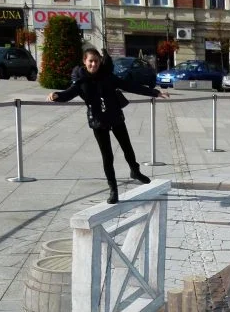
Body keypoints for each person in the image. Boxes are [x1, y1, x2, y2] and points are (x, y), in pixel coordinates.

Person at [46, 49, 168, 204]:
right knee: (107, 156)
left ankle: (135, 171)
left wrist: (155, 93)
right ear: (85, 61)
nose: (93, 64)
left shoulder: (108, 76)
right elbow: (68, 94)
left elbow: (129, 86)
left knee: (127, 147)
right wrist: (56, 95)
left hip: (115, 116)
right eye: (90, 61)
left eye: (96, 61)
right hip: (98, 121)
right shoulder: (81, 81)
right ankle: (113, 190)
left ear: (100, 62)